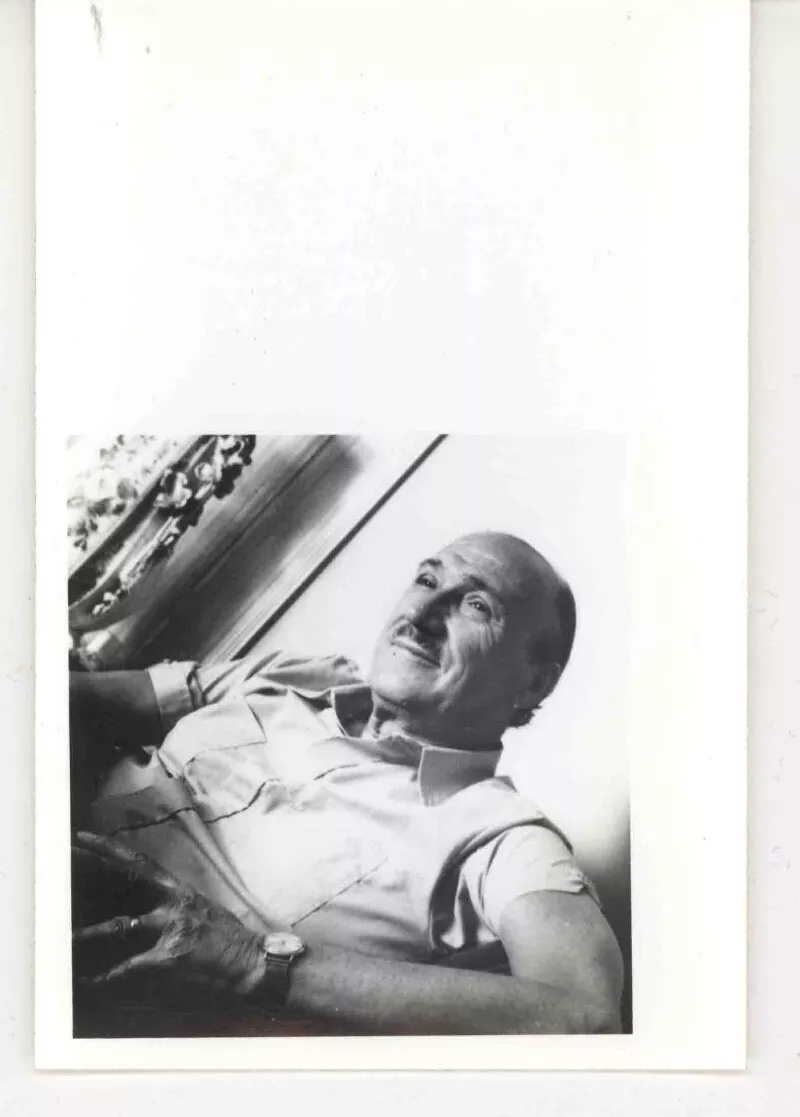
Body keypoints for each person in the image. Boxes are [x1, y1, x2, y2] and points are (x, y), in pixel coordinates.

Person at [70, 531, 624, 1035]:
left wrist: (252, 962)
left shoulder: (501, 835)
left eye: (476, 605)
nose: (421, 614)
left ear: (533, 682)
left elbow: (585, 1015)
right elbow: (74, 698)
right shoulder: (297, 676)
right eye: (427, 579)